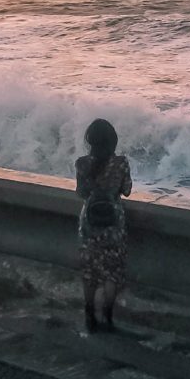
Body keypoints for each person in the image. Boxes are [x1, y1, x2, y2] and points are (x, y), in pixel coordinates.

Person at [75, 118, 132, 333]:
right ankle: (107, 316)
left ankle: (89, 314)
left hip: (89, 221)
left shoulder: (82, 163)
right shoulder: (121, 163)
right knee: (112, 271)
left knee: (90, 271)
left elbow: (81, 192)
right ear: (113, 140)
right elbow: (126, 190)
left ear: (90, 140)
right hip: (113, 222)